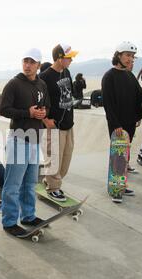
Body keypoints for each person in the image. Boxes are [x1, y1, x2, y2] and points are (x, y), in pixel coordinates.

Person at [0, 48, 50, 236]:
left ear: (38, 65)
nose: (28, 65)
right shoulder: (13, 84)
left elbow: (48, 105)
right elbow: (4, 109)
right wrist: (27, 113)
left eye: (32, 62)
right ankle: (9, 222)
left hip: (36, 139)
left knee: (30, 184)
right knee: (12, 186)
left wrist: (44, 113)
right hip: (18, 140)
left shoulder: (42, 84)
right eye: (25, 61)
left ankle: (28, 216)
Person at [101, 41, 142, 203]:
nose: (130, 59)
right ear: (118, 55)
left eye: (132, 56)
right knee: (118, 157)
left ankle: (121, 186)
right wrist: (115, 124)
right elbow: (108, 104)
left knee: (125, 157)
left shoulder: (129, 75)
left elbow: (139, 94)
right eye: (127, 55)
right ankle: (115, 191)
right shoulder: (109, 76)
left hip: (130, 122)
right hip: (118, 124)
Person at [39, 43, 78, 201]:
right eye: (69, 57)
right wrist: (46, 120)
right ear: (60, 58)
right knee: (53, 157)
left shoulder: (67, 72)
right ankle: (53, 187)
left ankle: (50, 180)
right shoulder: (45, 77)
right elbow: (38, 102)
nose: (72, 60)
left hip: (68, 123)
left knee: (66, 158)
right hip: (53, 125)